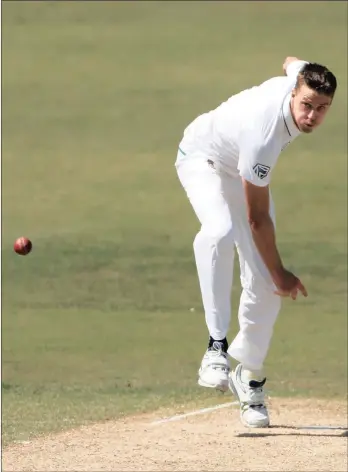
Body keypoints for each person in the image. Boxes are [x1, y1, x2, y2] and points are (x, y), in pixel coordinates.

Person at [175, 57, 337, 428]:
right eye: (306, 105)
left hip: (241, 169)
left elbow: (292, 61)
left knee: (264, 286)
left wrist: (272, 277)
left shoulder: (302, 76)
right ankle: (216, 347)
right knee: (219, 231)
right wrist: (280, 272)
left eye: (322, 109)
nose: (312, 115)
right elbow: (256, 219)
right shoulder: (264, 136)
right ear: (294, 94)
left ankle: (249, 376)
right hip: (203, 158)